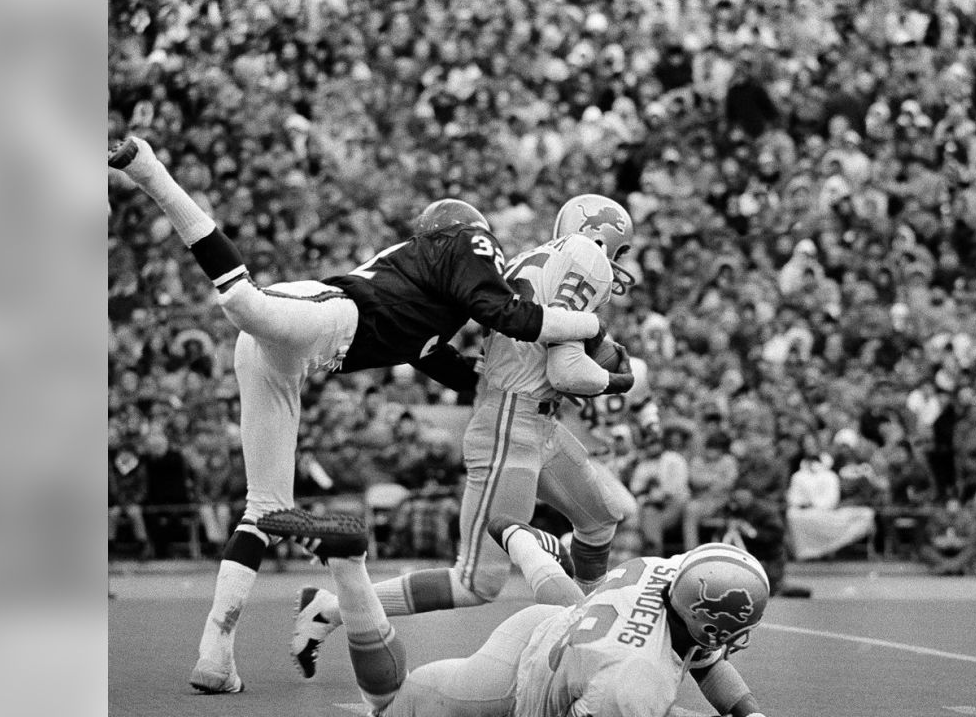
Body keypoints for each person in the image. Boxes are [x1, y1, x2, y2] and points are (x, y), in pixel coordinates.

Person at [108, 136, 605, 694]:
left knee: (264, 508)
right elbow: (505, 312)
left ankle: (216, 656)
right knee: (242, 303)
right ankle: (150, 171)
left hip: (290, 359)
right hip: (328, 315)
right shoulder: (466, 239)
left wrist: (542, 389)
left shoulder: (427, 325)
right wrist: (589, 329)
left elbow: (468, 376)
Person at [289, 195, 641, 679]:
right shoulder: (582, 257)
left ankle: (590, 630)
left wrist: (593, 351)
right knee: (477, 580)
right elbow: (564, 370)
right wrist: (615, 379)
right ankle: (333, 607)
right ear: (600, 235)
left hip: (539, 422)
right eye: (618, 249)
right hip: (509, 425)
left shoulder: (541, 257)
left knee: (599, 519)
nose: (620, 262)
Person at [256, 506, 772, 717]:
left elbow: (701, 654)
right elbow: (630, 687)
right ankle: (349, 568)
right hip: (519, 677)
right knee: (394, 704)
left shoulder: (670, 570)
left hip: (565, 630)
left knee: (576, 600)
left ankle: (524, 542)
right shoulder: (637, 680)